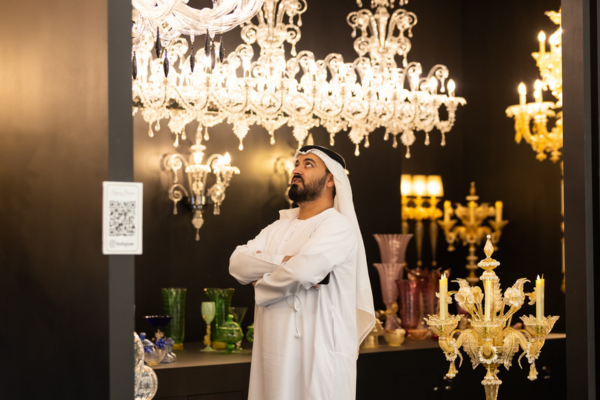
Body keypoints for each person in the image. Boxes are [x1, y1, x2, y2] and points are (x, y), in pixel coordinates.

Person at [229, 145, 375, 400]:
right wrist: (285, 261)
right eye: (297, 164)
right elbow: (237, 264)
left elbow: (302, 273)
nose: (297, 169)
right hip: (273, 359)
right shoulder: (277, 227)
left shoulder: (338, 226)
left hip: (318, 361)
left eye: (308, 164)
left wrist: (261, 281)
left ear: (331, 179)